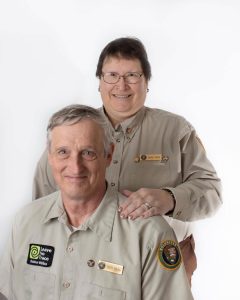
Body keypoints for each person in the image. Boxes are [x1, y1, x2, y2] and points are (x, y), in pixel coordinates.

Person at [32, 37, 222, 282]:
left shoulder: (176, 130)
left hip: (162, 269)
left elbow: (212, 192)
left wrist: (169, 198)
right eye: (111, 75)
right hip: (87, 271)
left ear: (146, 82)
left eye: (132, 75)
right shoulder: (73, 131)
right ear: (99, 82)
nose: (121, 86)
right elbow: (41, 207)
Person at [0, 105, 194, 299]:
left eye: (88, 153)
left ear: (108, 155)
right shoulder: (25, 222)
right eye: (63, 152)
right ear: (49, 157)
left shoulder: (151, 234)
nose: (75, 167)